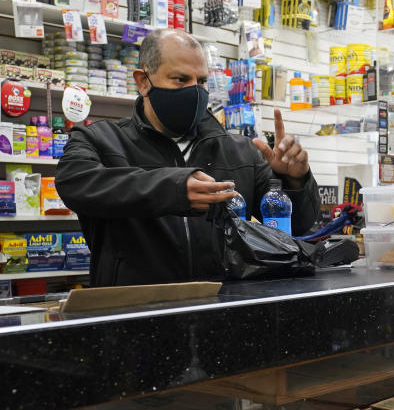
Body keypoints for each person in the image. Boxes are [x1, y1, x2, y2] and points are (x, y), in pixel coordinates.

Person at [55, 29, 321, 286]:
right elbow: (74, 183)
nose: (195, 91)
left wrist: (293, 182)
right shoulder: (100, 140)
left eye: (202, 81)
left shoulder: (241, 151)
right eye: (181, 80)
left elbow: (297, 224)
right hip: (134, 314)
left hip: (223, 310)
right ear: (143, 81)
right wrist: (174, 189)